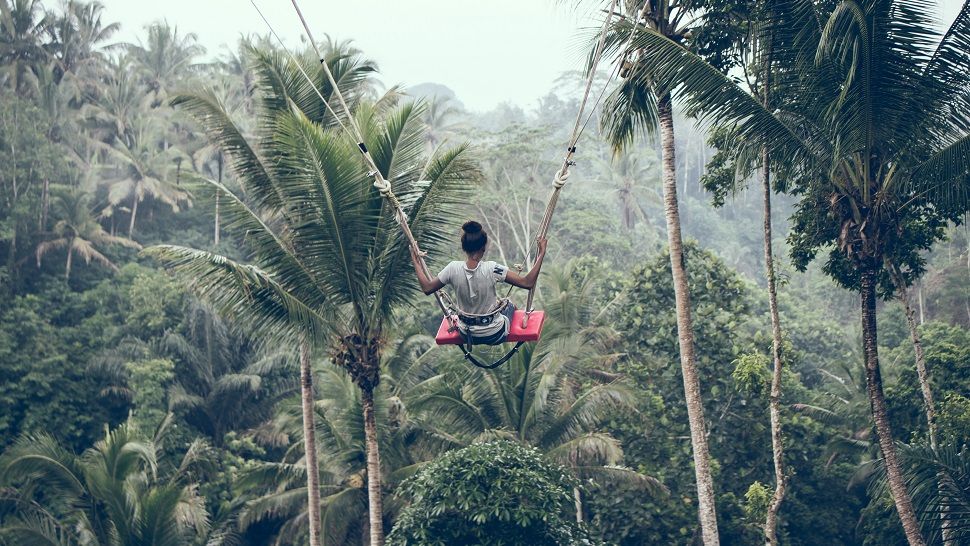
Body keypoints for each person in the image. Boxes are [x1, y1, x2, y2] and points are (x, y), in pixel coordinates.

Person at [410, 220, 547, 345]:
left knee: (500, 306)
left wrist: (416, 262)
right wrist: (541, 253)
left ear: (464, 247)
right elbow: (527, 283)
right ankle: (521, 324)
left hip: (466, 334)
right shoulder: (492, 268)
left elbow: (427, 288)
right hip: (494, 334)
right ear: (483, 248)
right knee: (508, 305)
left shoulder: (452, 268)